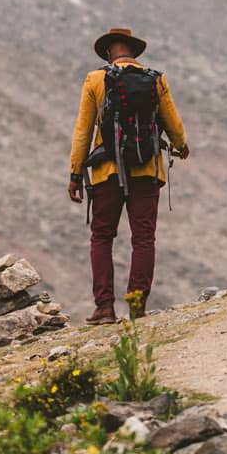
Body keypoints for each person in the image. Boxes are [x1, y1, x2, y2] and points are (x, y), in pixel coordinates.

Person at [67, 26, 189, 323]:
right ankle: (137, 307)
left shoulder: (96, 79)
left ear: (109, 52)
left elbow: (84, 130)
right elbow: (173, 124)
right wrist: (181, 146)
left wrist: (74, 172)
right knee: (144, 238)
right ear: (134, 51)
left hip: (107, 170)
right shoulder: (156, 79)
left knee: (102, 236)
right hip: (147, 169)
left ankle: (105, 308)